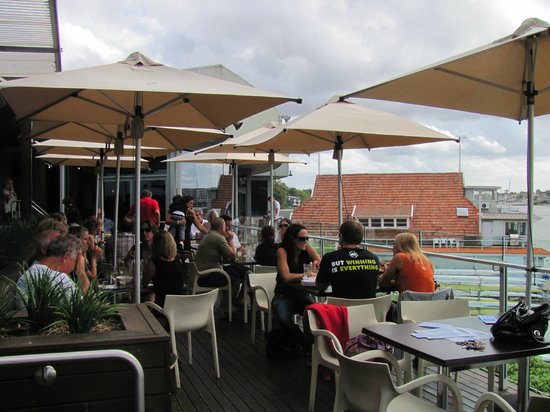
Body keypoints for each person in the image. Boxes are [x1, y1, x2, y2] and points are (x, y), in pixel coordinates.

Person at [272, 223, 321, 353]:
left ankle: (316, 347)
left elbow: (320, 263)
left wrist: (316, 265)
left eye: (307, 238)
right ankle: (308, 346)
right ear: (292, 239)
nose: (305, 241)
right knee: (283, 319)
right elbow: (286, 276)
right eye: (302, 239)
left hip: (301, 294)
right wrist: (305, 275)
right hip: (283, 295)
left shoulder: (307, 249)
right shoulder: (282, 251)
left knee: (318, 315)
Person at [16, 234, 89, 310]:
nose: (74, 267)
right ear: (66, 256)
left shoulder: (26, 275)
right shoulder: (61, 280)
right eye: (77, 260)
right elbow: (88, 307)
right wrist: (82, 273)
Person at [316, 220, 380, 298]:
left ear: (340, 236)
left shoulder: (329, 258)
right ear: (361, 238)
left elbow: (320, 286)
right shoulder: (374, 259)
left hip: (340, 305)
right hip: (369, 305)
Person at [194, 217, 240, 315]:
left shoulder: (208, 235)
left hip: (199, 274)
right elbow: (233, 255)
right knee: (235, 280)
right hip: (207, 276)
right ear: (221, 227)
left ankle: (225, 305)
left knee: (231, 274)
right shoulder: (218, 238)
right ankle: (225, 307)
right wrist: (231, 239)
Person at [142, 231, 186, 307]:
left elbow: (144, 283)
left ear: (155, 244)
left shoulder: (153, 264)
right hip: (179, 306)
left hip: (162, 308)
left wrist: (147, 260)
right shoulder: (177, 260)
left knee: (145, 298)